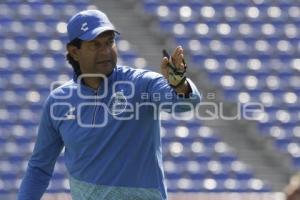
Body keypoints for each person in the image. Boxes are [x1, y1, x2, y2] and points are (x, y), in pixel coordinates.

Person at [17, 9, 201, 200]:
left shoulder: (141, 83)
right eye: (95, 45)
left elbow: (186, 104)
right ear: (74, 52)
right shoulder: (58, 101)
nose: (105, 51)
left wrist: (179, 84)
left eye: (109, 42)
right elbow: (39, 169)